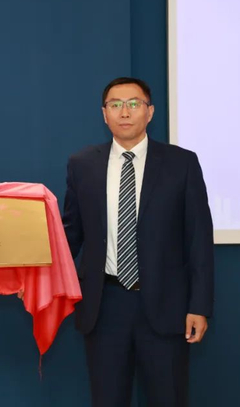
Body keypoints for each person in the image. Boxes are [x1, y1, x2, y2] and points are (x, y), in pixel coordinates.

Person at [62, 77, 214, 406]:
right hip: (105, 305)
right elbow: (70, 234)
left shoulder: (182, 163)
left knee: (168, 398)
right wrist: (39, 277)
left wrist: (199, 306)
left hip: (166, 305)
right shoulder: (82, 165)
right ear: (104, 114)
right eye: (115, 104)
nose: (125, 112)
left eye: (134, 104)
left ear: (150, 112)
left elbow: (199, 240)